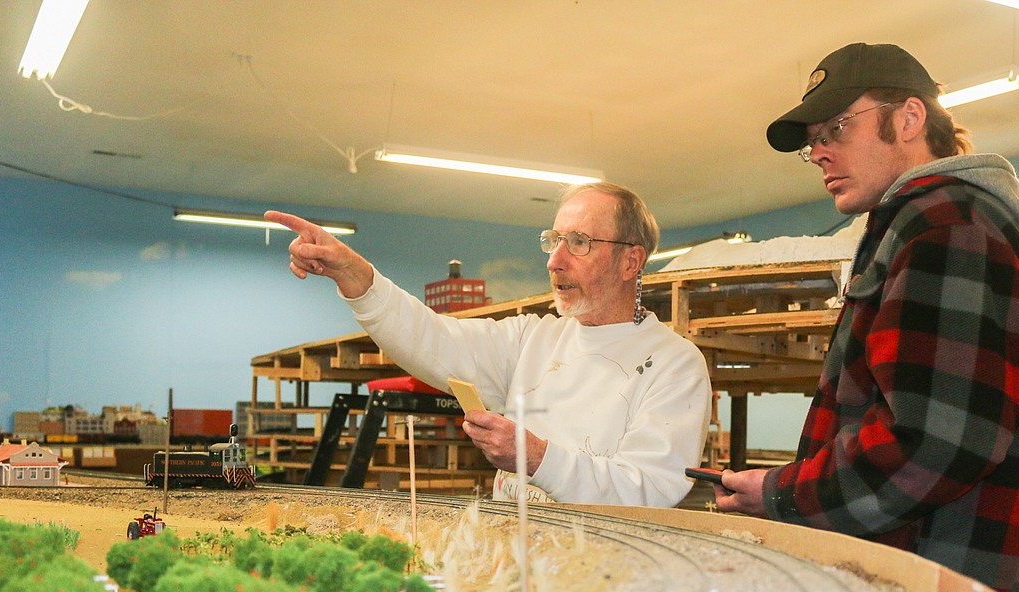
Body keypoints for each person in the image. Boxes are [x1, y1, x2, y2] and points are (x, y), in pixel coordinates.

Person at [715, 42, 1019, 592]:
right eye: (814, 139)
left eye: (837, 126)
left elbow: (937, 440)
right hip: (952, 587)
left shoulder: (946, 226)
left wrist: (785, 493)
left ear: (910, 119)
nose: (820, 152)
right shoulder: (934, 224)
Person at [266, 182, 711, 507]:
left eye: (579, 243)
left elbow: (651, 489)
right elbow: (431, 339)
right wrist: (354, 274)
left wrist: (538, 458)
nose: (555, 261)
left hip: (603, 574)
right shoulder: (533, 338)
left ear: (630, 261)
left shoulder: (673, 363)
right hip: (512, 550)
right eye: (554, 241)